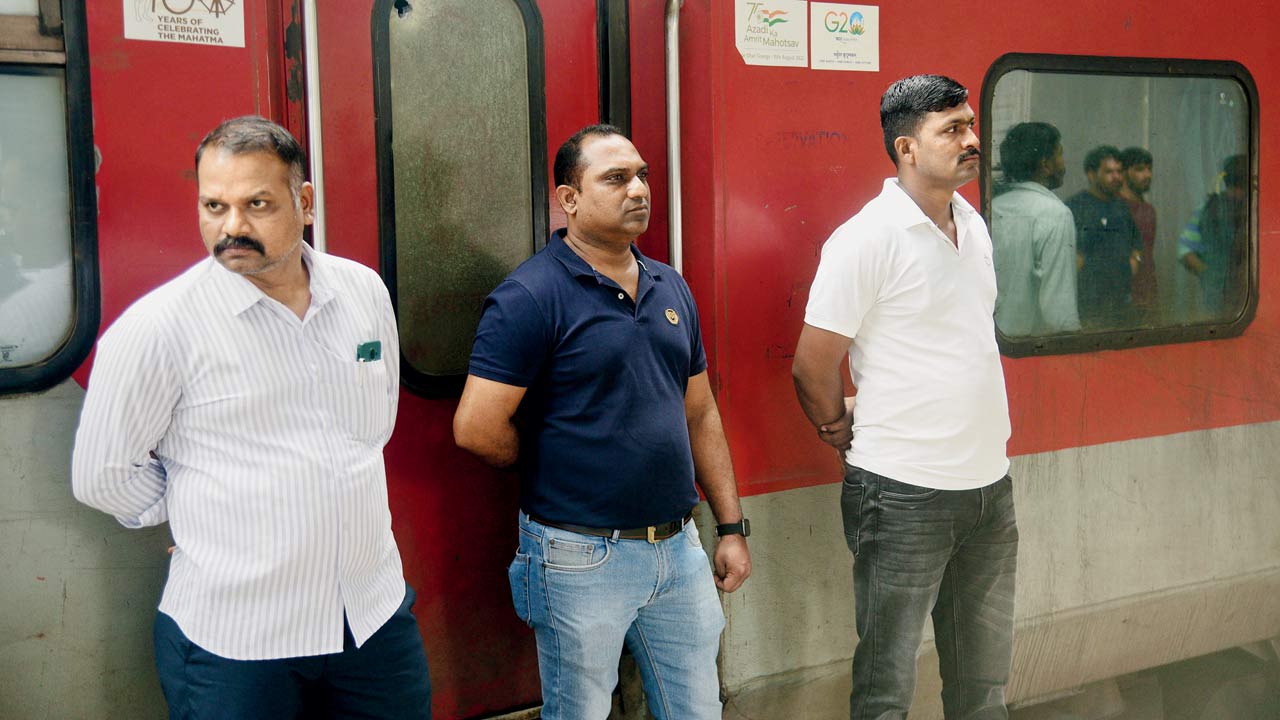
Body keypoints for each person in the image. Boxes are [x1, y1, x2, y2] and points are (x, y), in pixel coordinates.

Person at [71, 116, 431, 719]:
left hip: (371, 620)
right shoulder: (159, 330)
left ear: (305, 202)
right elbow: (102, 475)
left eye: (256, 204)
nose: (231, 227)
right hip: (238, 643)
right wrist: (193, 506)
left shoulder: (363, 292)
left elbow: (374, 427)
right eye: (214, 205)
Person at [453, 124, 751, 720]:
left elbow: (700, 412)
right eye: (615, 178)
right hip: (578, 556)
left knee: (698, 709)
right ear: (569, 199)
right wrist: (544, 459)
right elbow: (476, 427)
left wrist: (731, 526)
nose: (637, 189)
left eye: (641, 175)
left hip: (678, 547)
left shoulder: (671, 286)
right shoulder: (530, 297)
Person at [792, 75, 1017, 720]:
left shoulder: (971, 223)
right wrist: (837, 426)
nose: (972, 139)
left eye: (971, 125)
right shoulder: (867, 238)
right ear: (906, 147)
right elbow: (812, 364)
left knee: (983, 685)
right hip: (900, 493)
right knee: (887, 688)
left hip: (988, 490)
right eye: (952, 130)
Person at [990, 121, 1080, 335]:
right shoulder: (1056, 214)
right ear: (1045, 165)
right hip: (1031, 352)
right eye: (1059, 155)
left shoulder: (991, 208)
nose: (1063, 164)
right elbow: (1059, 314)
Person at [1066, 145, 1143, 327]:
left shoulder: (1122, 207)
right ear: (1091, 174)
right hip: (1088, 309)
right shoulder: (1076, 207)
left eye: (1119, 171)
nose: (1116, 177)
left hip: (1121, 306)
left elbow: (1137, 244)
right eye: (1109, 172)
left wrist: (1134, 263)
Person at [1178, 154, 1248, 317]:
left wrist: (1208, 275)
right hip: (1238, 300)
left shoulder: (1207, 206)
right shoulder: (1251, 209)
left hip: (1217, 301)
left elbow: (1184, 250)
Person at [1118, 146, 1158, 318]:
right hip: (1123, 302)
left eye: (1149, 169)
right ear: (1125, 173)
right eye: (1140, 169)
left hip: (1148, 299)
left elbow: (1147, 256)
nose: (1147, 175)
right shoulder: (1114, 208)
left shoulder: (1149, 210)